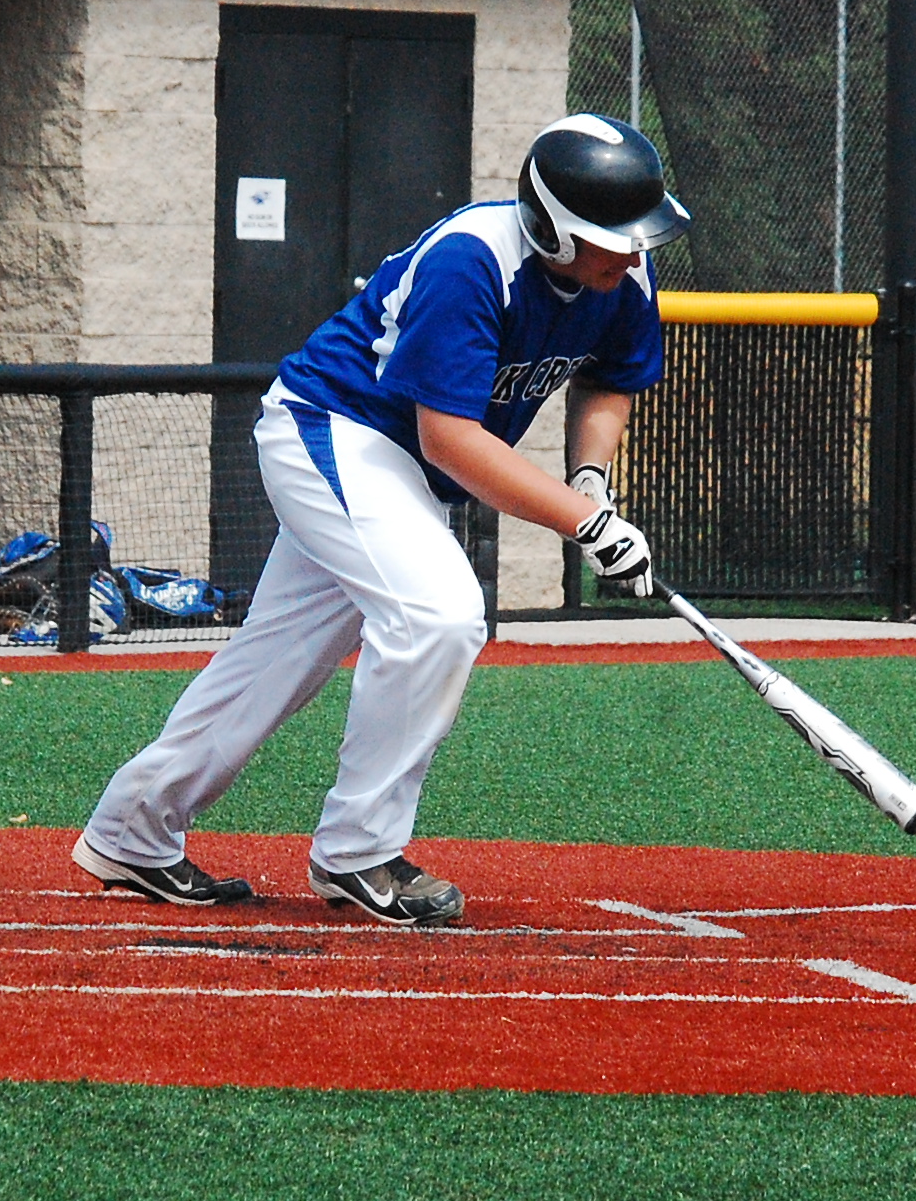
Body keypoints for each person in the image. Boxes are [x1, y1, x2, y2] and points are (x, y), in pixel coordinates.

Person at [74, 114, 684, 927]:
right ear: (554, 231)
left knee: (281, 655)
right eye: (614, 240)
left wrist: (591, 484)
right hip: (335, 429)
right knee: (439, 615)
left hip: (398, 470)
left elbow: (609, 378)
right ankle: (360, 851)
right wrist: (583, 524)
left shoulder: (623, 277)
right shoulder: (472, 262)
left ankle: (132, 830)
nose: (634, 255)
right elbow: (449, 439)